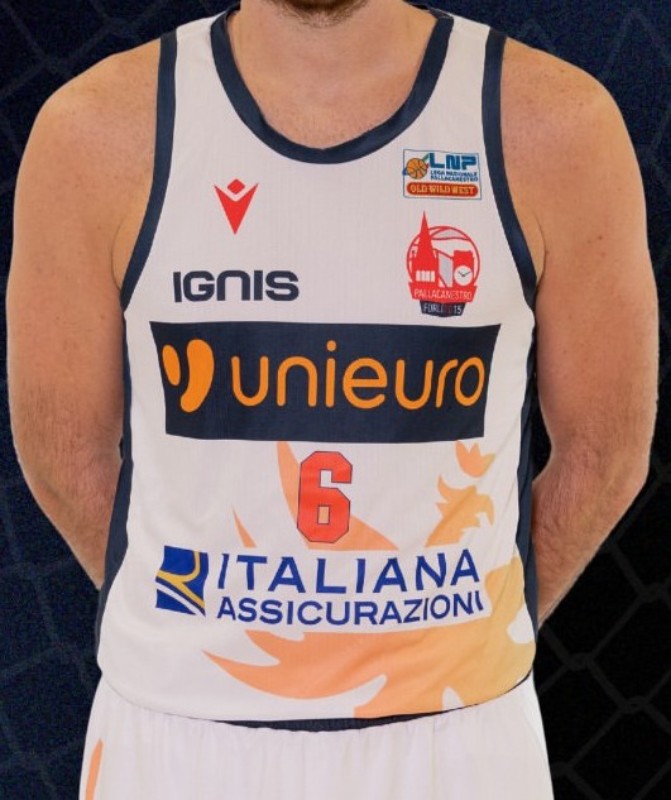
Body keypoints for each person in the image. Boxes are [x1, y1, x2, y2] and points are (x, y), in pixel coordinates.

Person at [6, 0, 658, 797]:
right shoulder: (94, 133)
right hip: (175, 738)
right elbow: (61, 448)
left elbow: (605, 451)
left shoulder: (558, 127)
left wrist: (472, 626)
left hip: (457, 737)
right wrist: (191, 623)